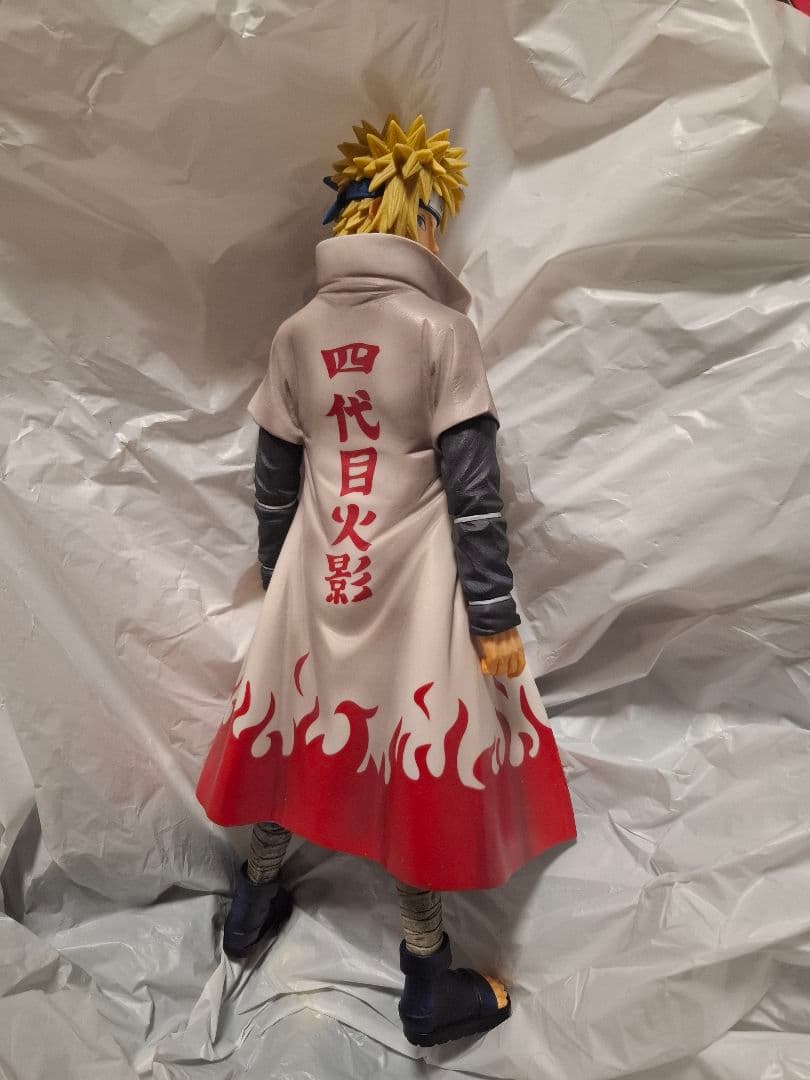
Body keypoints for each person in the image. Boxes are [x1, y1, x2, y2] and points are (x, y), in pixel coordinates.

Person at [196, 114, 576, 1047]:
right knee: (417, 764)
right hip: (416, 587)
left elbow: (273, 476)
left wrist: (283, 575)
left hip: (319, 576)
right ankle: (425, 977)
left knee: (296, 737)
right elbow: (474, 490)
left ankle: (250, 907)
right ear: (422, 218)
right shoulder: (441, 330)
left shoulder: (296, 333)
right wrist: (493, 613)